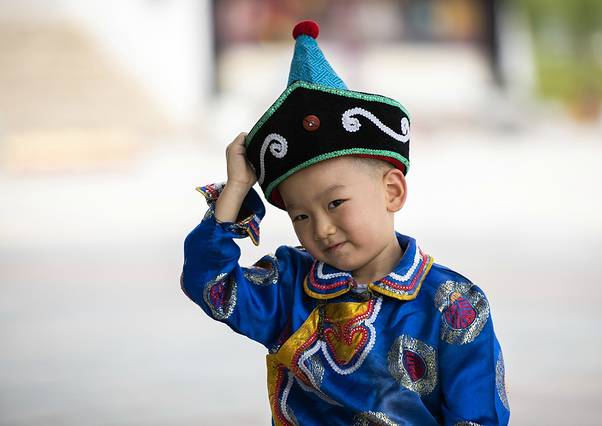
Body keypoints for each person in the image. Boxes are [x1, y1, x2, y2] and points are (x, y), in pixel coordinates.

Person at [181, 20, 510, 426]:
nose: (321, 229)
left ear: (392, 191)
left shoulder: (454, 304)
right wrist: (236, 189)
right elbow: (210, 284)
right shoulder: (288, 287)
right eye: (301, 216)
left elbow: (477, 418)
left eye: (336, 203)